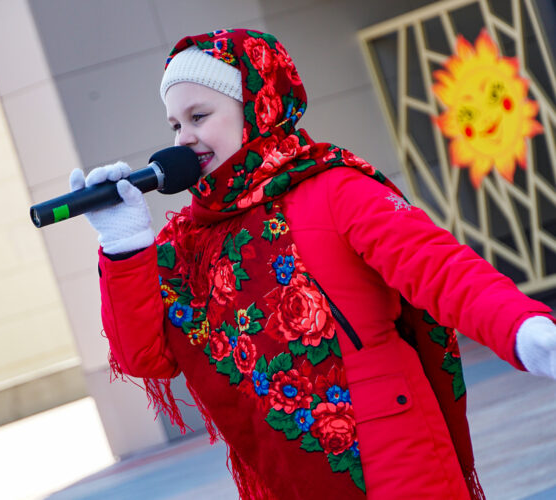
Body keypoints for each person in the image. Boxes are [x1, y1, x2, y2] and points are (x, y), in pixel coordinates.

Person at [70, 29, 556, 499]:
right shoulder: (189, 242)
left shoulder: (333, 188)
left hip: (397, 462)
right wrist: (125, 245)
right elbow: (144, 356)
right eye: (176, 125)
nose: (184, 138)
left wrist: (524, 328)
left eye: (200, 116)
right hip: (287, 479)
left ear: (258, 106)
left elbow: (438, 268)